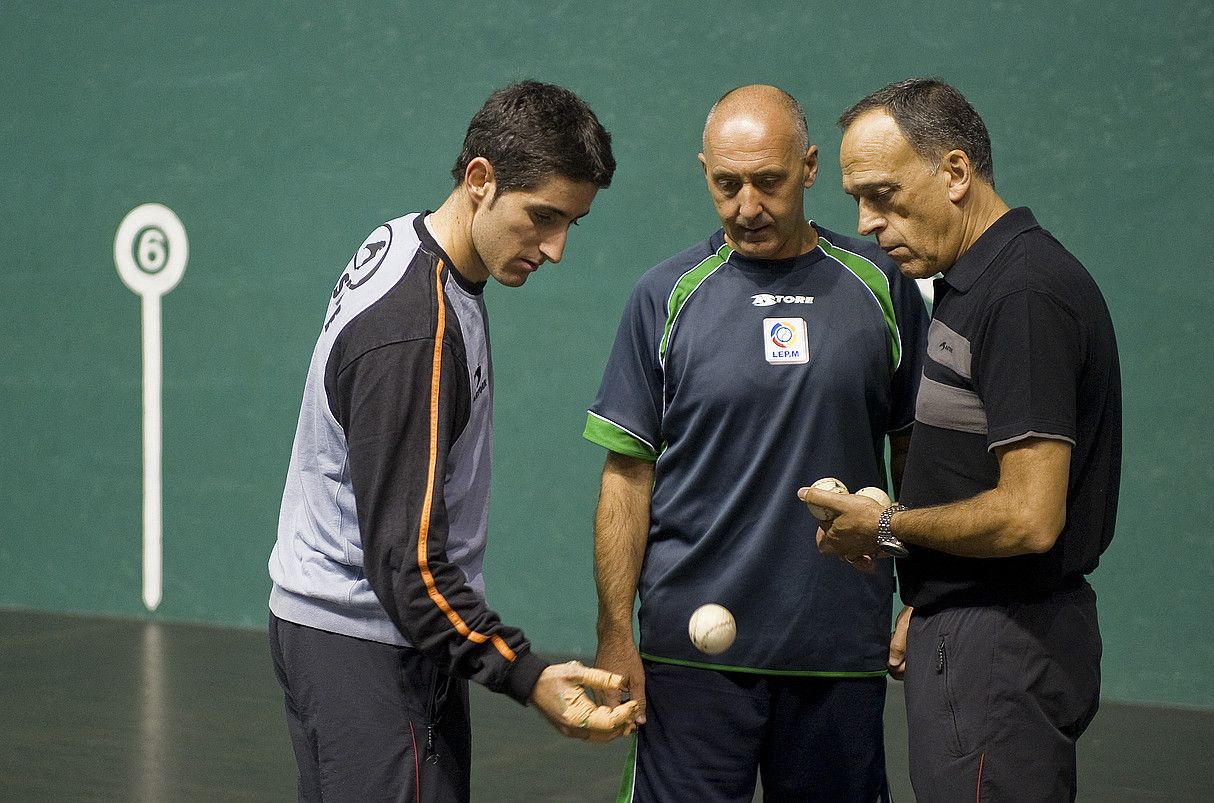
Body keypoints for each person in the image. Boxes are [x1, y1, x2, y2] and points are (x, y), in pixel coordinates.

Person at [267, 80, 640, 803]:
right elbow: (406, 567)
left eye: (572, 223)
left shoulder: (410, 242)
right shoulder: (418, 330)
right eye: (542, 218)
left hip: (353, 635)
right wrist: (526, 674)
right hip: (369, 648)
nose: (556, 248)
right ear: (480, 180)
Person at [584, 84, 928, 802]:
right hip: (689, 657)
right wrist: (618, 632)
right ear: (704, 169)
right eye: (726, 184)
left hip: (837, 647)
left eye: (768, 182)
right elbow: (627, 476)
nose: (747, 206)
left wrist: (922, 596)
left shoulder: (881, 287)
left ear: (807, 168)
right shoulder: (665, 295)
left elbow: (916, 449)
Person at [803, 78, 1121, 801]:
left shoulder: (1022, 296)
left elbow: (1029, 515)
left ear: (954, 172)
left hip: (1001, 651)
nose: (869, 221)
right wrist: (933, 588)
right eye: (858, 199)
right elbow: (976, 487)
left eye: (884, 195)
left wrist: (883, 526)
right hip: (974, 629)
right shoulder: (971, 283)